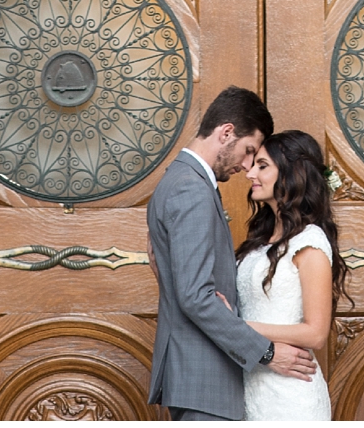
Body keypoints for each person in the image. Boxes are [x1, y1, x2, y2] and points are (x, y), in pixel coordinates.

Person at [147, 87, 318, 421]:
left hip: (203, 378)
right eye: (248, 150)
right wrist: (268, 353)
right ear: (226, 132)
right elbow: (196, 297)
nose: (246, 165)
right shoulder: (190, 188)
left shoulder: (181, 180)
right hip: (203, 378)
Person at [236, 129, 346, 421]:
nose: (250, 174)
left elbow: (316, 333)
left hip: (291, 396)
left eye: (262, 166)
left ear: (290, 174)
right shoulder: (260, 238)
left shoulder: (309, 241)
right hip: (253, 386)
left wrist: (237, 327)